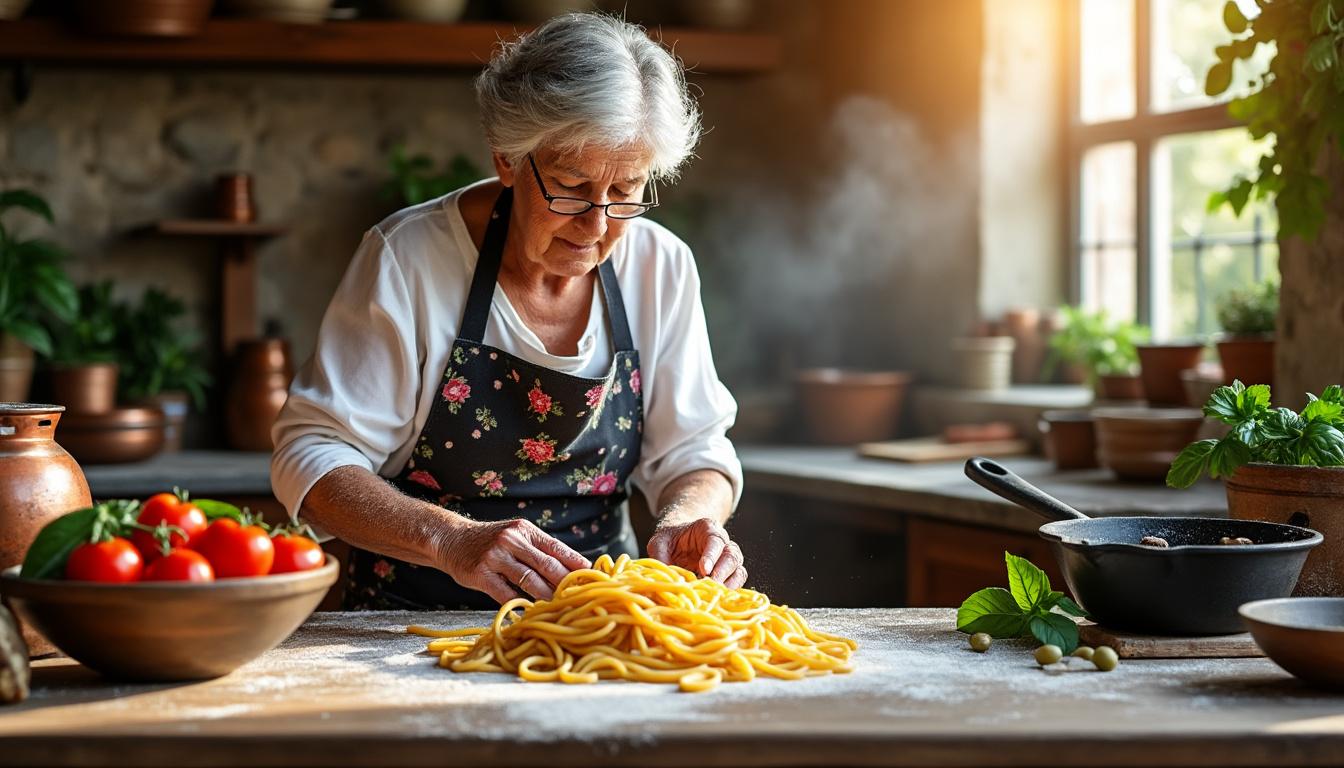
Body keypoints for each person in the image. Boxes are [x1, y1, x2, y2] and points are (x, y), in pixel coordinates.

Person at [270, 13, 745, 609]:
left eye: (625, 191)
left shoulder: (660, 266)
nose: (596, 226)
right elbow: (312, 456)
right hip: (411, 625)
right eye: (572, 187)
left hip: (603, 617)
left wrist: (691, 518)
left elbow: (693, 451)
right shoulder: (409, 258)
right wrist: (451, 540)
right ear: (508, 160)